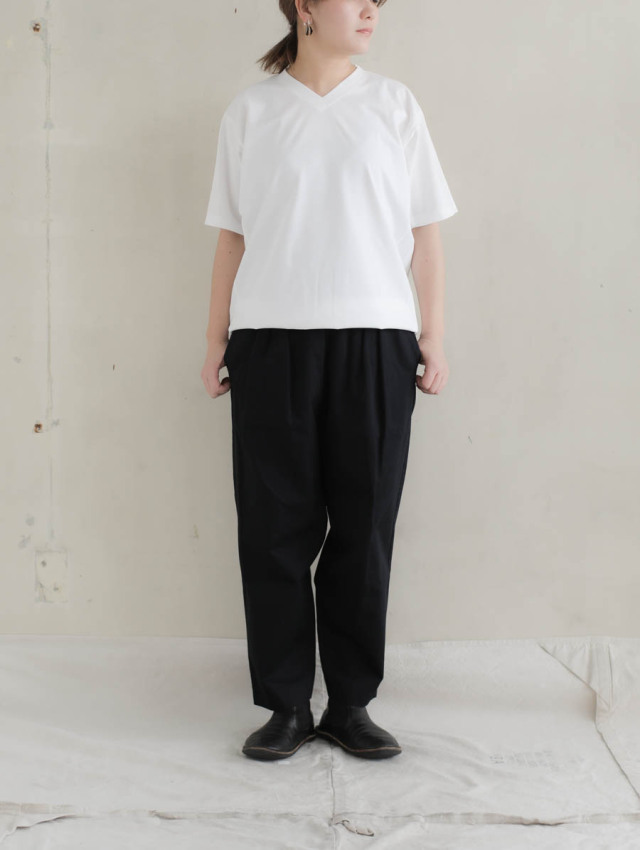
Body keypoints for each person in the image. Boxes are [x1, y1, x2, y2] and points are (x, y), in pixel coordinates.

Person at [201, 0, 457, 762]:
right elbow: (232, 236)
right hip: (269, 341)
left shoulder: (393, 105)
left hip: (376, 340)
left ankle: (350, 704)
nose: (373, 9)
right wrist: (214, 339)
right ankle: (285, 705)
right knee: (272, 530)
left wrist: (433, 335)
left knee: (365, 528)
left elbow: (425, 234)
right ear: (306, 7)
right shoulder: (252, 112)